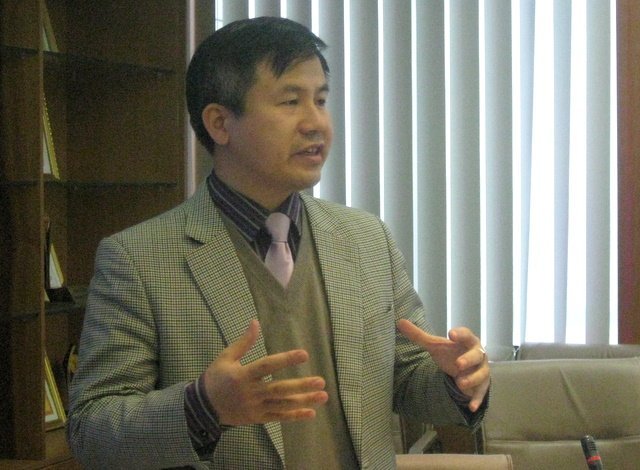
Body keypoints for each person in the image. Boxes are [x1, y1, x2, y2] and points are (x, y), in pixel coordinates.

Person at [67, 16, 490, 469]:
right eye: (291, 101)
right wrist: (203, 407)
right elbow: (92, 432)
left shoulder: (366, 239)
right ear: (220, 123)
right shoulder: (139, 259)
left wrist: (457, 380)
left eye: (321, 100)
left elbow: (406, 380)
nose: (316, 123)